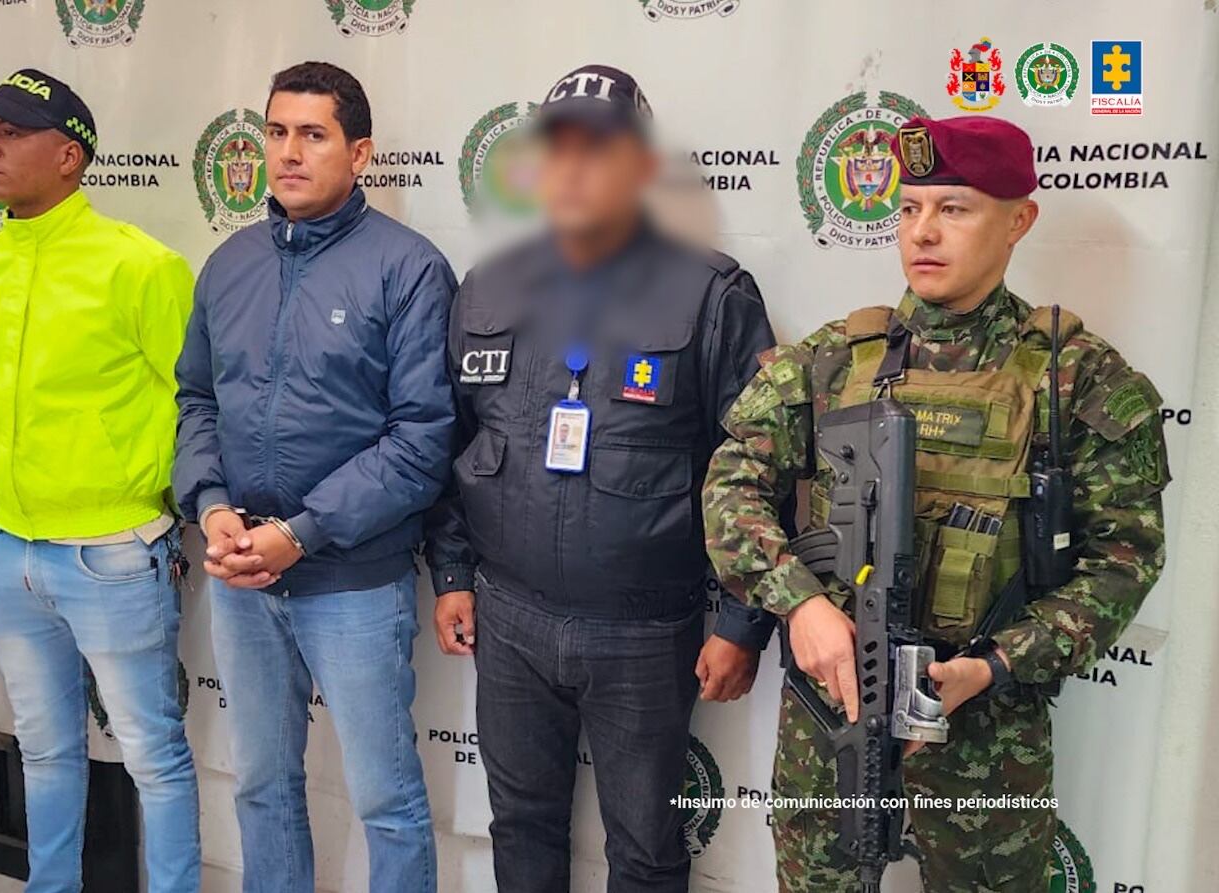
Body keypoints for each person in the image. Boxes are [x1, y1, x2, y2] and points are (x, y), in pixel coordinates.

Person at [703, 115, 1169, 892]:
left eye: (955, 208)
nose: (923, 231)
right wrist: (800, 604)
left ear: (1019, 219)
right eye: (910, 208)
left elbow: (1126, 557)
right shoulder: (832, 360)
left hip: (988, 736)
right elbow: (730, 485)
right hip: (834, 719)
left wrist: (996, 664)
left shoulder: (1076, 379)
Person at [424, 64, 778, 891]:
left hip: (645, 632)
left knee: (646, 847)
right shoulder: (488, 288)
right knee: (521, 826)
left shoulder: (712, 293)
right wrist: (452, 573)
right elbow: (456, 440)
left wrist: (742, 621)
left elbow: (765, 467)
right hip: (509, 618)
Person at [174, 61, 455, 893]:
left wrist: (301, 533)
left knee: (386, 799)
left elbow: (422, 437)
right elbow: (196, 399)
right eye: (275, 132)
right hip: (242, 580)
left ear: (359, 153)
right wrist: (212, 505)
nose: (288, 152)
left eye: (313, 134)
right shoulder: (229, 264)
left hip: (352, 580)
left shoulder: (409, 268)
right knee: (261, 786)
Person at [0, 69, 199, 893]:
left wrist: (163, 506)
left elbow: (198, 401)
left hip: (113, 550)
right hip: (11, 544)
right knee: (45, 749)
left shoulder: (140, 265)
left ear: (69, 155)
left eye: (11, 133)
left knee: (152, 753)